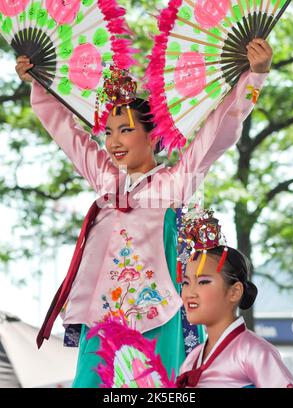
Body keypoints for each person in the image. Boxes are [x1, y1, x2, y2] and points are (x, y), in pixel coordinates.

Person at [15, 38, 272, 388]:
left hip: (158, 313)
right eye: (108, 132)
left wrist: (254, 78)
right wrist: (39, 85)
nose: (114, 141)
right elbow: (67, 133)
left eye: (126, 130)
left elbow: (219, 131)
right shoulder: (107, 181)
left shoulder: (174, 183)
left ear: (153, 136)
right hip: (103, 316)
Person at [176, 210, 293, 388]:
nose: (189, 293)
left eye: (203, 282)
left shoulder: (254, 351)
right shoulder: (192, 359)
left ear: (235, 292)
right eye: (186, 283)